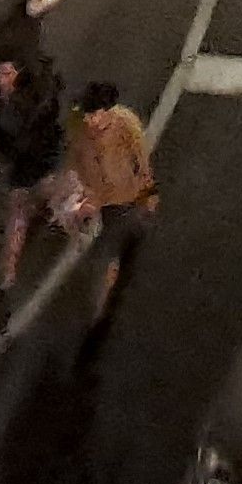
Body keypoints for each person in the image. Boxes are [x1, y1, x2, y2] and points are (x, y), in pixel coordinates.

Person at [62, 82, 158, 364]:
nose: (90, 120)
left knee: (130, 242)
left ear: (107, 111)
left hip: (132, 198)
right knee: (106, 260)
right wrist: (82, 199)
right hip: (108, 205)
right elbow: (75, 165)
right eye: (86, 115)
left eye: (94, 114)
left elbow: (141, 159)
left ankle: (111, 295)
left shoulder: (125, 123)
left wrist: (148, 192)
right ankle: (97, 320)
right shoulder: (80, 134)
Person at [0, 49, 65, 291]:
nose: (3, 75)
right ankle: (8, 269)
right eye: (0, 72)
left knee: (47, 194)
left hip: (42, 155)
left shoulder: (26, 101)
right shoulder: (1, 109)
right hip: (26, 163)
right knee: (19, 210)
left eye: (8, 71)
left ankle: (70, 215)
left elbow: (44, 115)